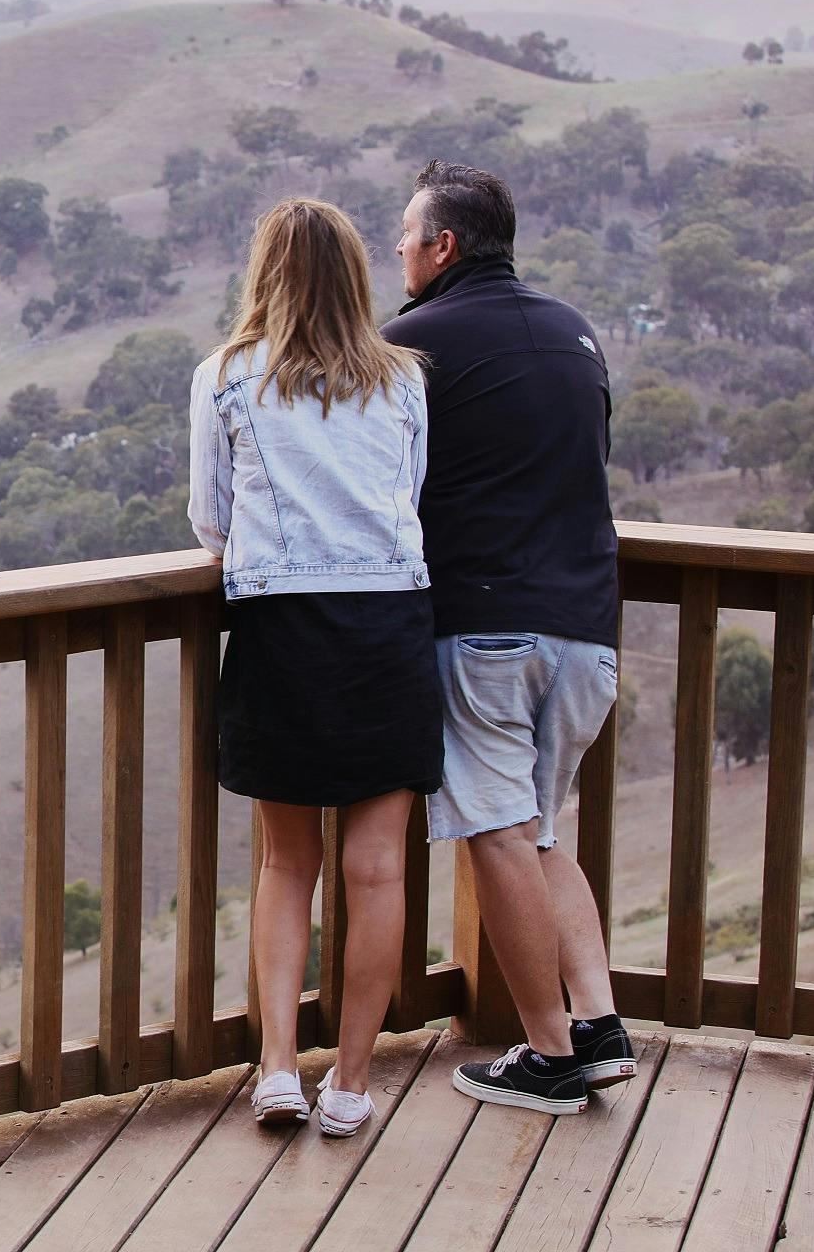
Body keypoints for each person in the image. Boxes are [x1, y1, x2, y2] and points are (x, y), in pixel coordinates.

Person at [189, 197, 442, 1138]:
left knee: (287, 862)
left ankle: (280, 1072)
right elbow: (406, 500)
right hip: (388, 627)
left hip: (282, 629)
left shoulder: (226, 377)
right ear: (357, 277)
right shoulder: (406, 380)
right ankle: (353, 1083)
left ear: (265, 273)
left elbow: (210, 523)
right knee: (377, 869)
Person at [384, 159, 630, 1116]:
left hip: (486, 628)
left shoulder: (411, 346)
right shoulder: (577, 334)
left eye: (406, 236)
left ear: (443, 246)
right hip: (588, 631)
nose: (399, 251)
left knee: (494, 832)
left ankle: (548, 1051)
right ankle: (600, 1024)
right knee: (540, 827)